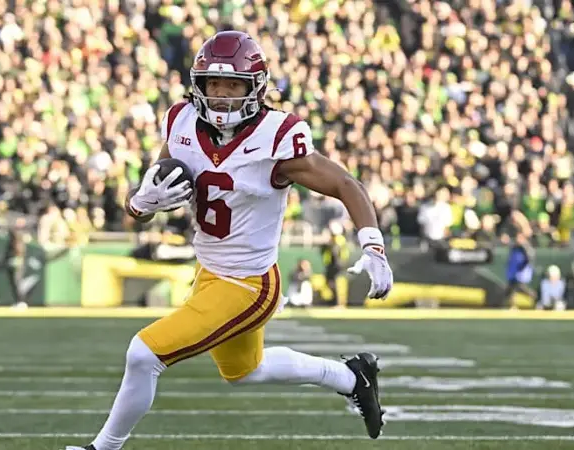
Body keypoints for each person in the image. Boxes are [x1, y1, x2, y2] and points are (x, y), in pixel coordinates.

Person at [65, 31, 394, 450]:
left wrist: (373, 245)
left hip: (249, 283)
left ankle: (103, 448)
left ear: (254, 87)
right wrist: (139, 202)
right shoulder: (182, 121)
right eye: (214, 84)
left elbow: (345, 184)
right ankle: (352, 377)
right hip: (210, 271)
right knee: (245, 371)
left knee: (143, 354)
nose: (222, 95)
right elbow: (154, 194)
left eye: (233, 85)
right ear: (198, 86)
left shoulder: (277, 136)